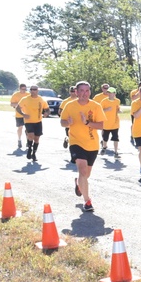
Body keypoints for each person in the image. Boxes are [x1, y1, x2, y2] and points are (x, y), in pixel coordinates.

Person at [59, 82, 105, 212]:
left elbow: (101, 125)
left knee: (86, 174)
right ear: (76, 92)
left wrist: (87, 122)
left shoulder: (96, 106)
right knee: (83, 171)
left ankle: (78, 183)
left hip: (92, 144)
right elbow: (62, 122)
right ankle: (87, 201)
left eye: (87, 91)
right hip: (76, 142)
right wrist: (67, 122)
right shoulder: (69, 105)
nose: (84, 93)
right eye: (82, 91)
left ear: (90, 92)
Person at [16, 85, 49, 162]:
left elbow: (47, 109)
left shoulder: (41, 99)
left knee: (36, 139)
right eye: (31, 89)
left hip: (38, 121)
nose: (32, 91)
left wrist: (46, 113)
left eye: (34, 89)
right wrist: (23, 114)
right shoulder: (25, 99)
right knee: (31, 136)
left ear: (37, 91)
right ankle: (29, 149)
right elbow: (17, 108)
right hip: (28, 121)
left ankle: (34, 153)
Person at [100, 88, 121, 157]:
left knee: (116, 138)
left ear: (114, 93)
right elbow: (100, 111)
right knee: (105, 138)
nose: (110, 94)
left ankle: (116, 152)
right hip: (106, 123)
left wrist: (119, 110)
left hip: (115, 123)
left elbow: (118, 108)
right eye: (108, 93)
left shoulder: (117, 101)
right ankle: (104, 147)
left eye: (111, 93)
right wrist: (106, 109)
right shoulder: (104, 101)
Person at [59, 86, 78, 155]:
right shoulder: (65, 101)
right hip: (68, 123)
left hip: (78, 122)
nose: (73, 93)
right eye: (72, 91)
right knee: (70, 137)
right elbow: (60, 111)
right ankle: (67, 141)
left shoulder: (80, 100)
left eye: (74, 91)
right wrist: (65, 118)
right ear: (69, 92)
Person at [10, 83, 28, 149]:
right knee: (20, 127)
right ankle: (19, 140)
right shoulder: (15, 95)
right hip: (19, 114)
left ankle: (28, 141)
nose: (24, 90)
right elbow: (12, 104)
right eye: (23, 89)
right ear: (19, 88)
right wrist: (19, 104)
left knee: (28, 128)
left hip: (27, 114)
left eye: (25, 89)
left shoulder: (28, 94)